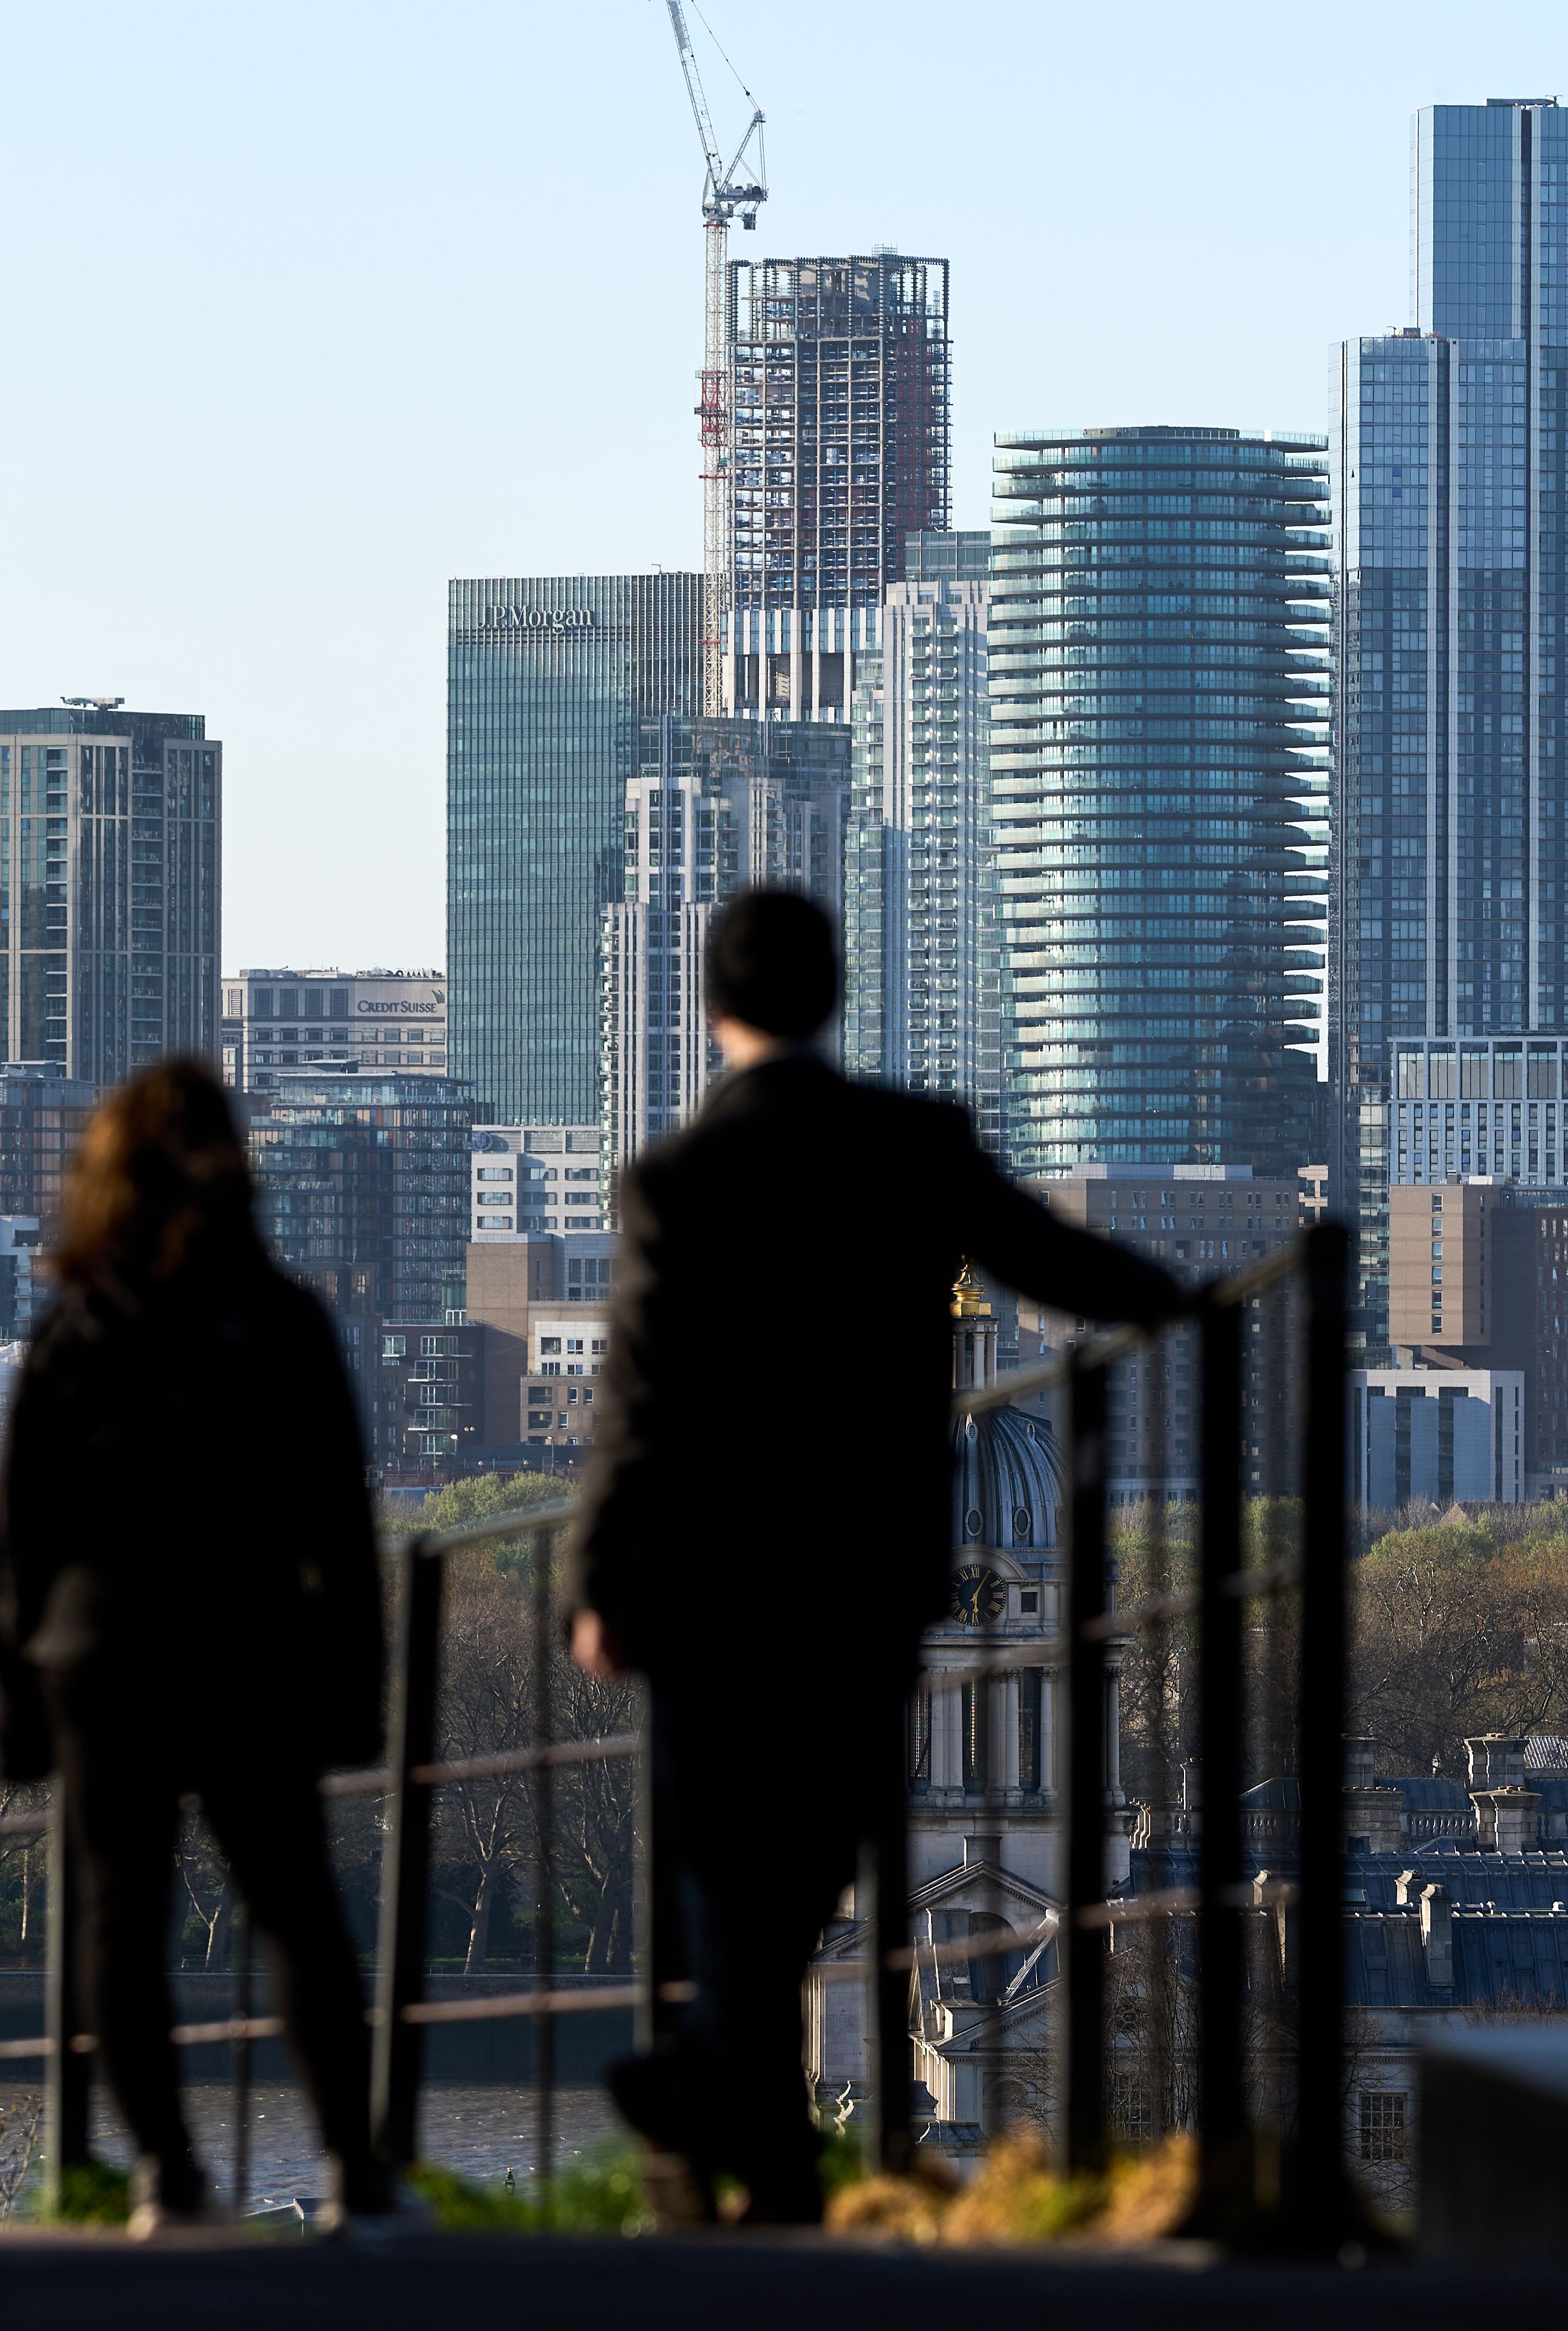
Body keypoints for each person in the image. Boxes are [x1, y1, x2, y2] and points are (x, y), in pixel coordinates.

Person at [571, 887, 1183, 2223]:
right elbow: (1059, 1261)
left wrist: (599, 1588)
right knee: (800, 1875)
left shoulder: (678, 1174)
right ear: (833, 995)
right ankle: (763, 2149)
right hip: (866, 1583)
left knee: (729, 1867)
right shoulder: (914, 1143)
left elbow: (637, 1404)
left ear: (714, 1009)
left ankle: (718, 2102)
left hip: (716, 1589)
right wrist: (1185, 1297)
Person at [0, 1059, 408, 2237]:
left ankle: (166, 2174)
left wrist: (13, 1695)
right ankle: (353, 2170)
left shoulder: (73, 1328)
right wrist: (358, 1689)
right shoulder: (283, 1321)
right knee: (297, 1912)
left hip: (100, 1655)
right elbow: (341, 1523)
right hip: (246, 1646)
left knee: (121, 1918)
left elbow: (19, 1532)